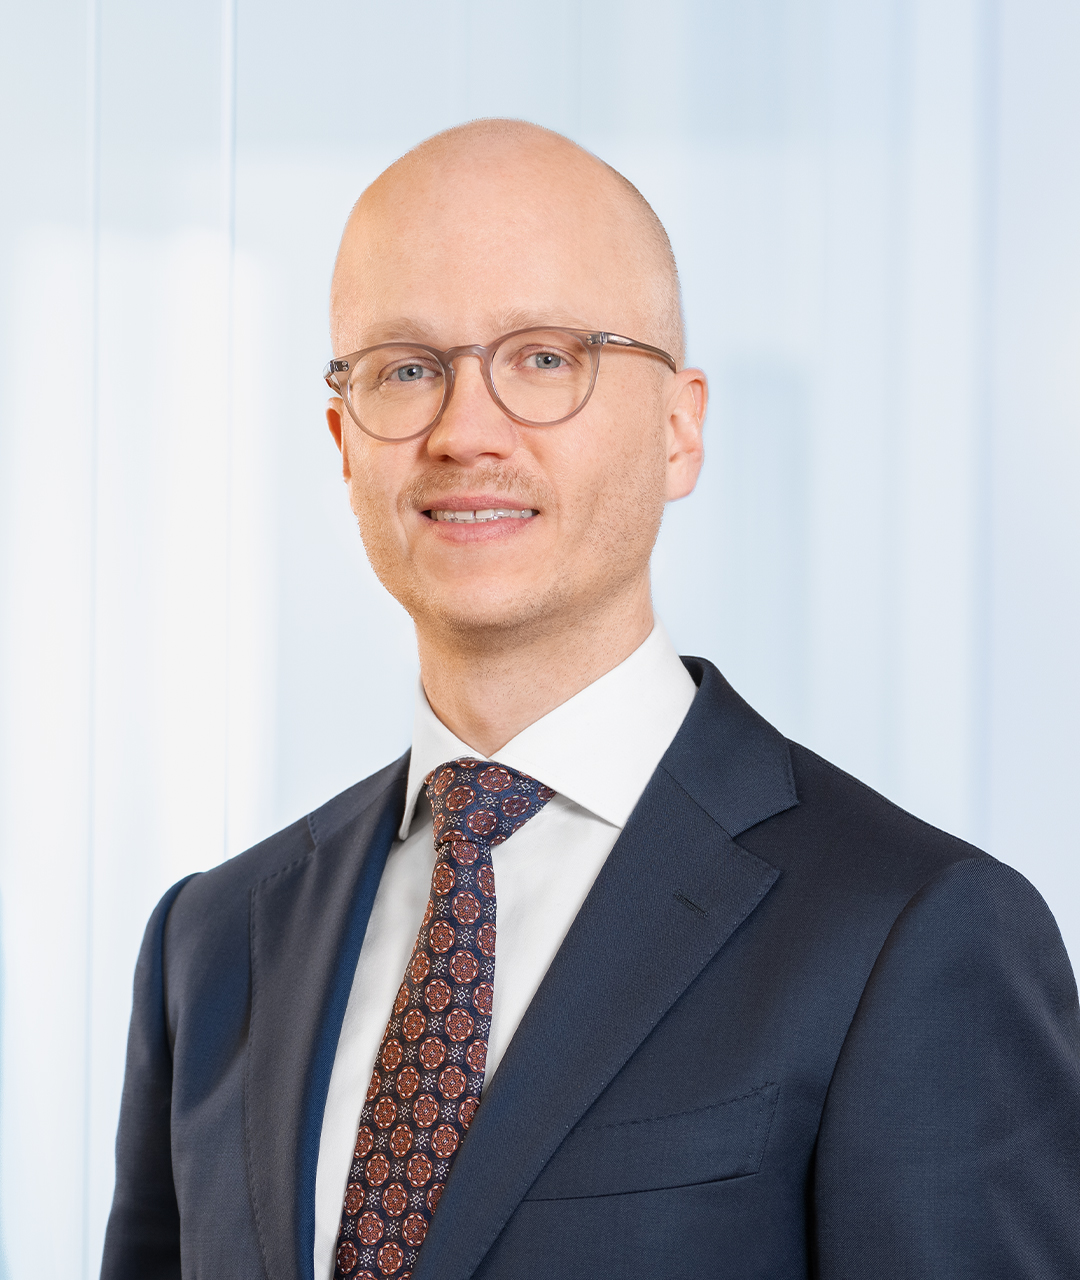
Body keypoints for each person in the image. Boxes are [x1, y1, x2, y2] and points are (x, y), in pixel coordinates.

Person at [101, 119, 1080, 1280]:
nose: (464, 432)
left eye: (544, 358)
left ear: (679, 430)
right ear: (343, 441)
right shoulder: (213, 942)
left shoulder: (915, 932)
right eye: (406, 368)